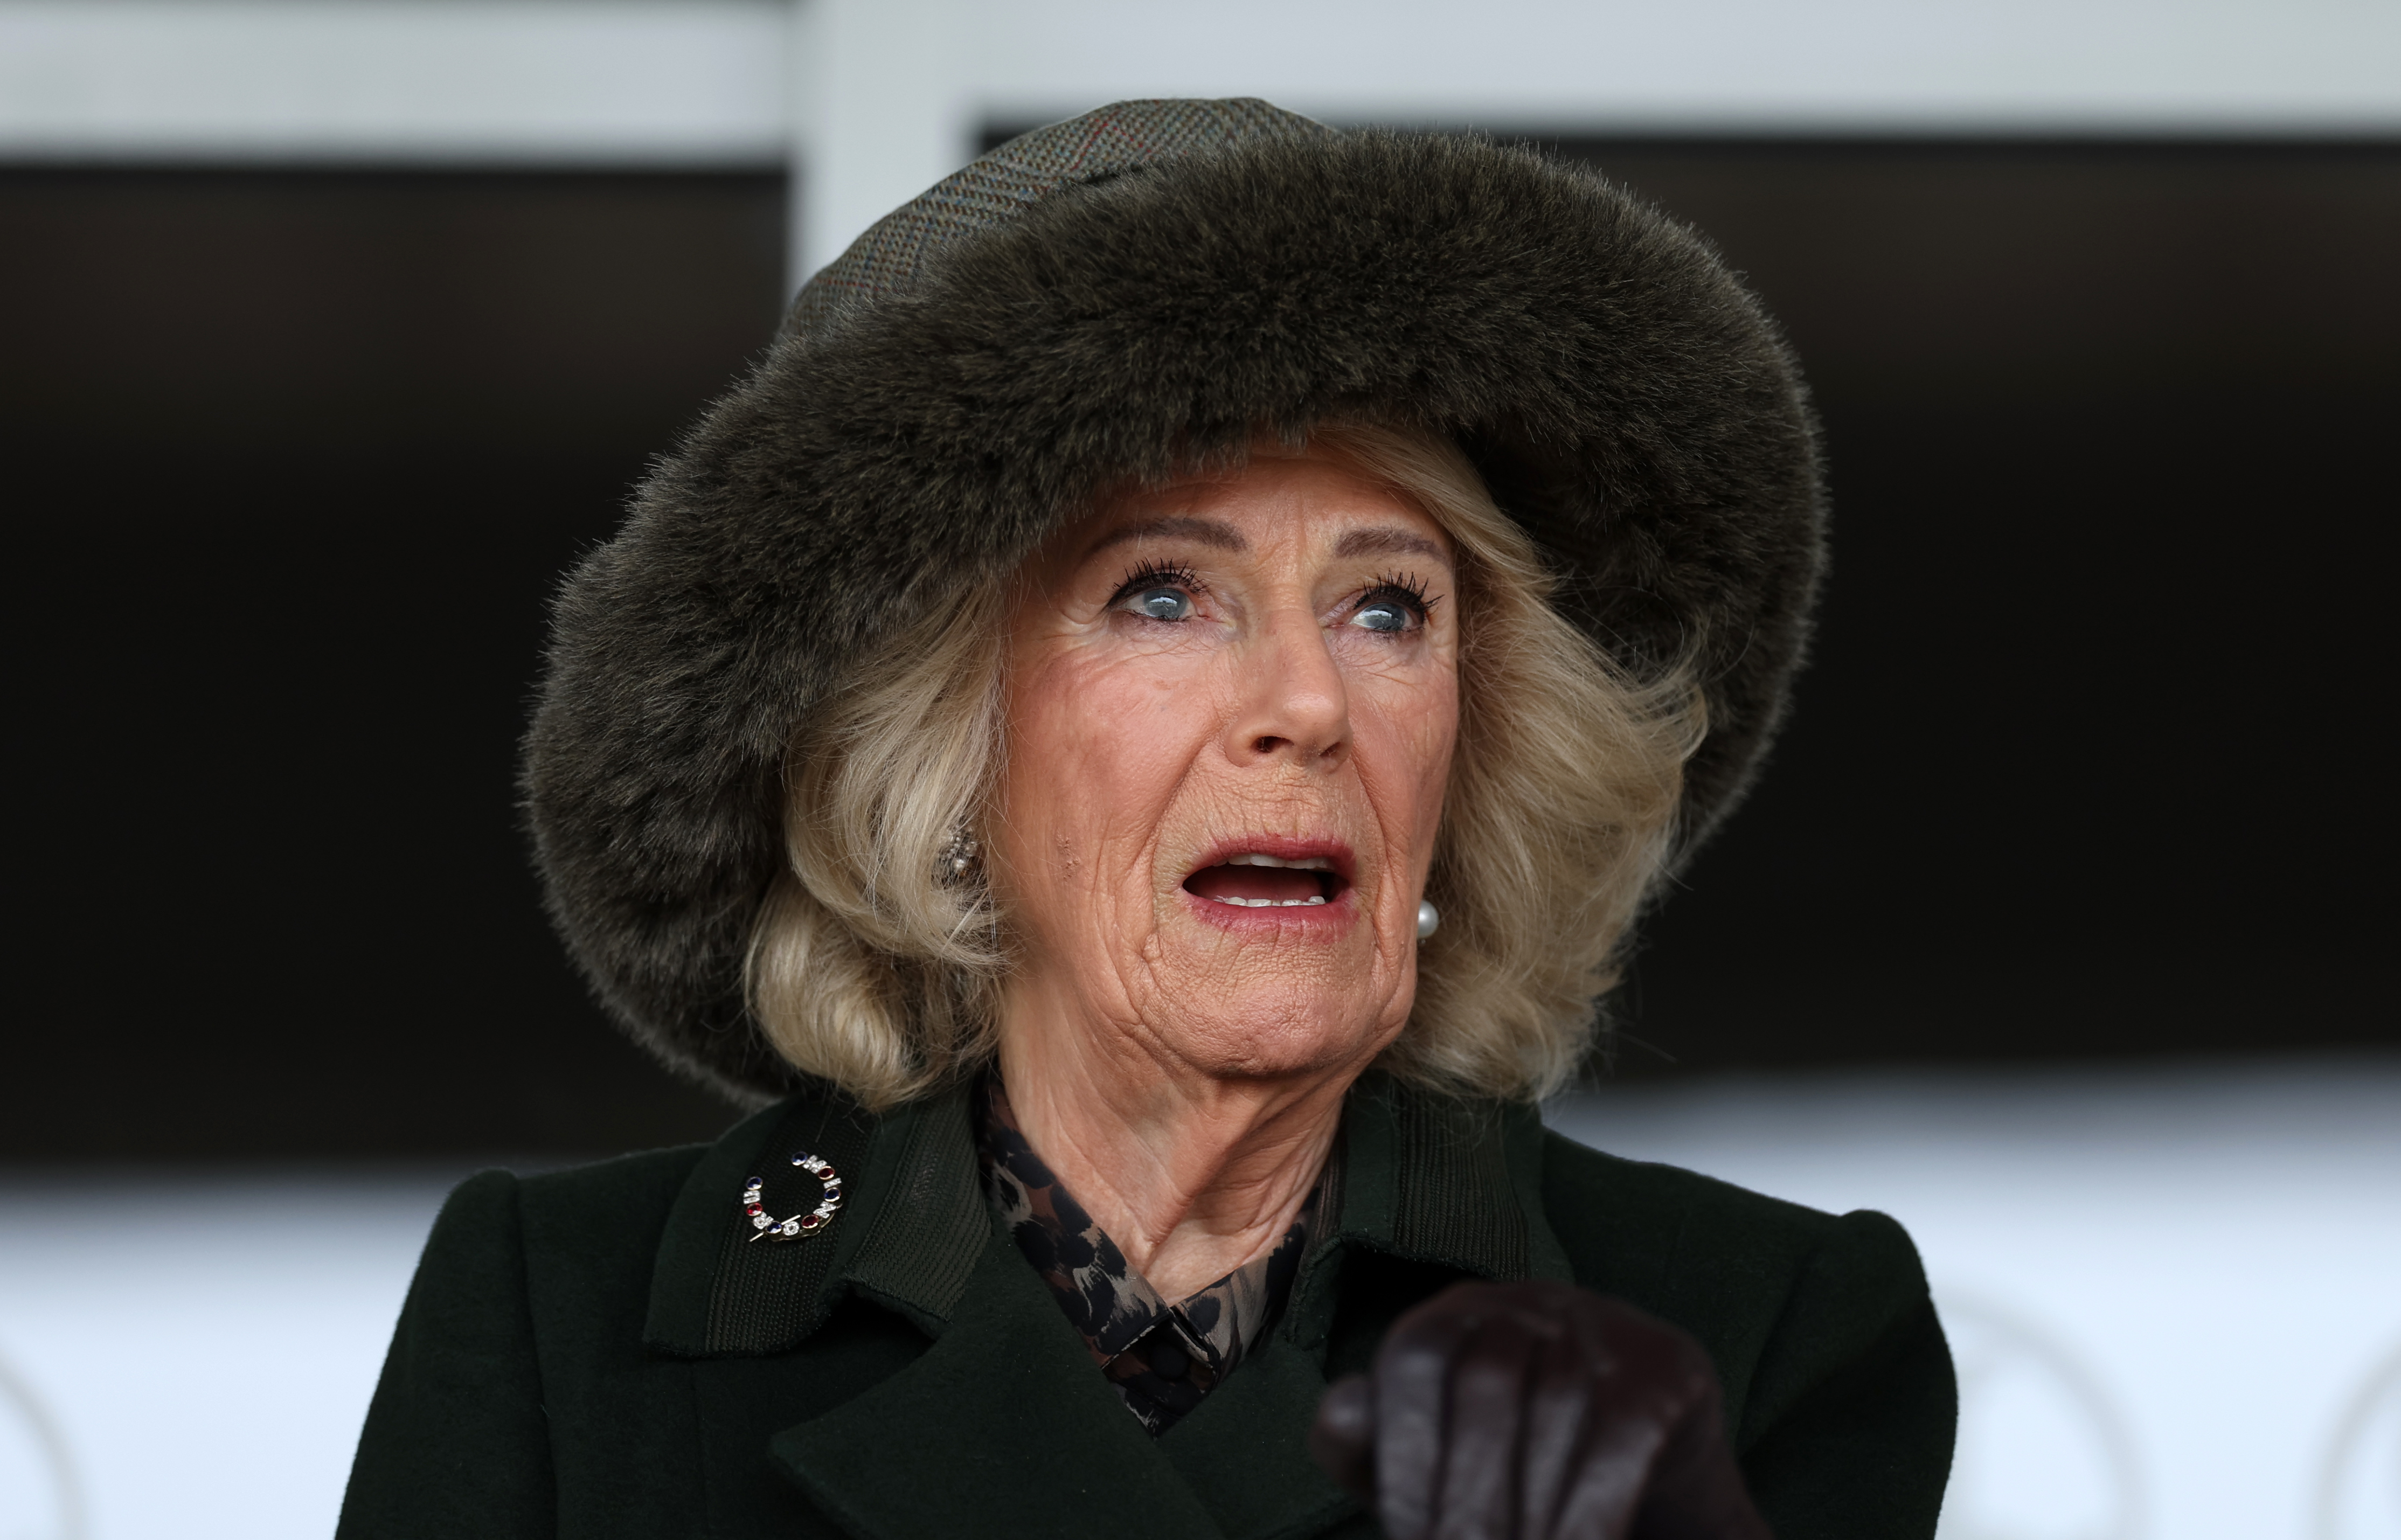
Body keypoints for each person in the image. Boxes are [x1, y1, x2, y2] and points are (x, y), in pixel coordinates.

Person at [338, 100, 1954, 1540]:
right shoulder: (568, 1323)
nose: (1311, 701)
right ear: (942, 745)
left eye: (1389, 607)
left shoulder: (1753, 1337)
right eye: (1164, 594)